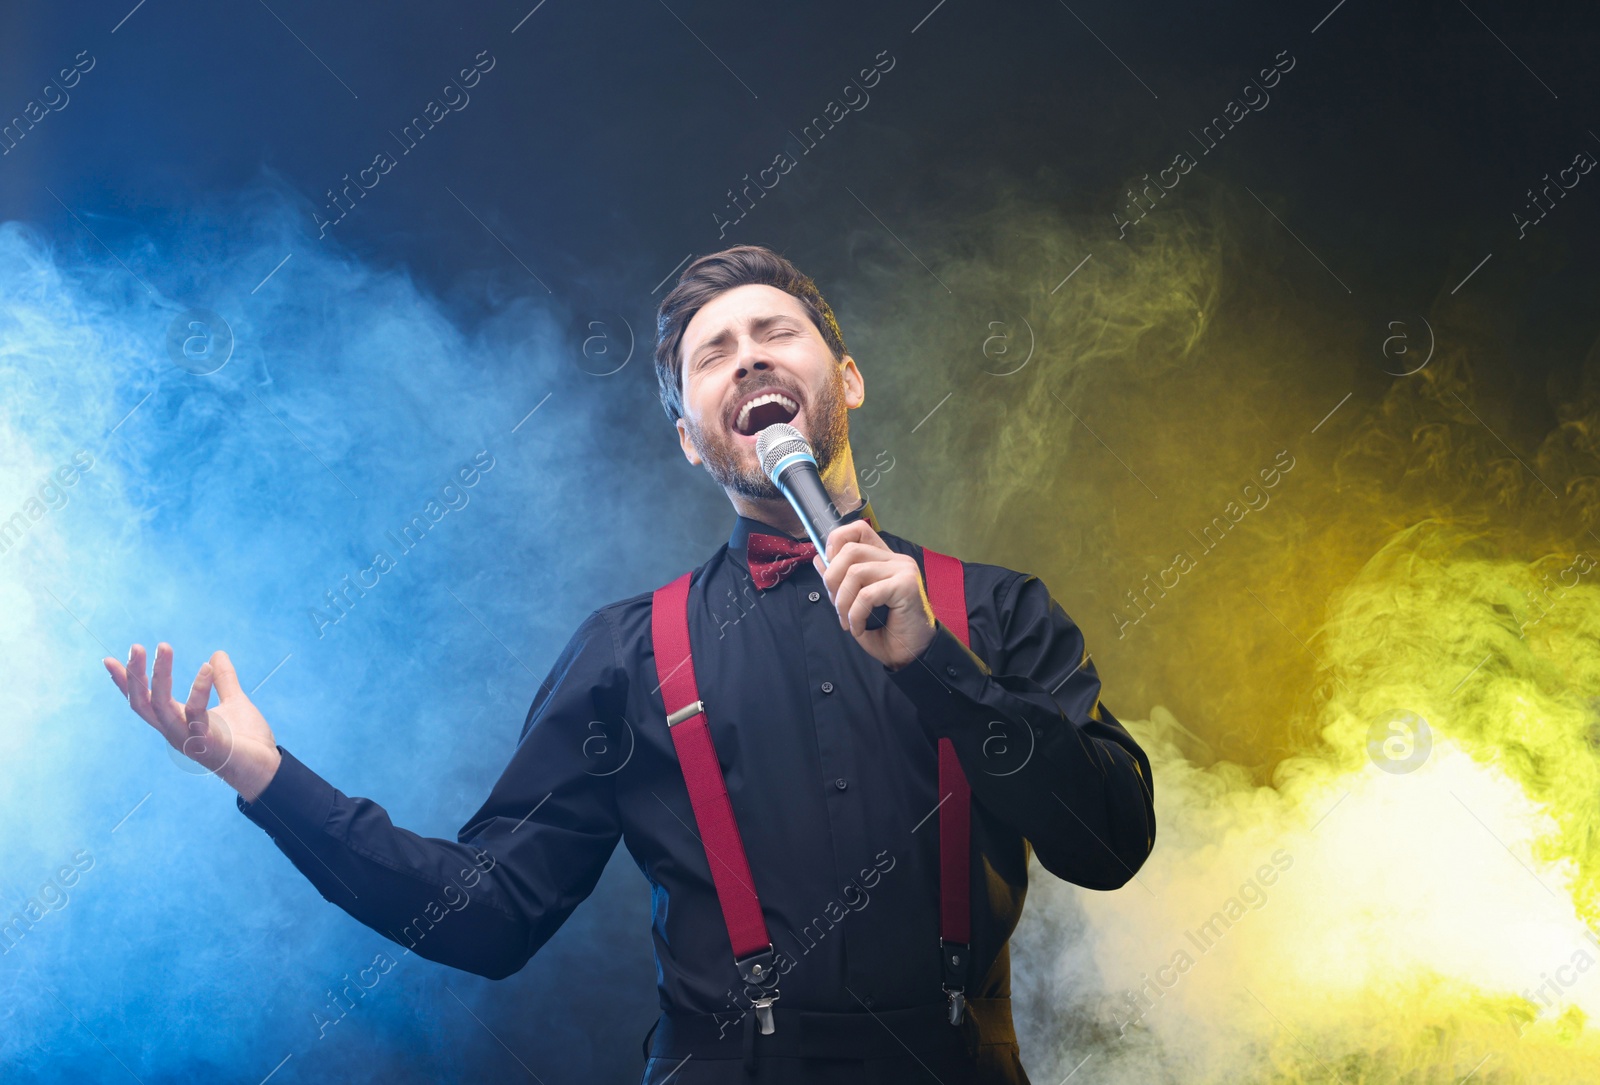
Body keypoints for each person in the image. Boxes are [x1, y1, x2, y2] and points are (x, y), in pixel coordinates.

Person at [104, 245, 1155, 1083]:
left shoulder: (998, 610)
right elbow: (486, 914)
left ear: (846, 377)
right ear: (692, 441)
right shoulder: (624, 654)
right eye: (713, 352)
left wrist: (936, 665)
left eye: (773, 332)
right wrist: (268, 776)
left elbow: (1109, 841)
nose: (746, 357)